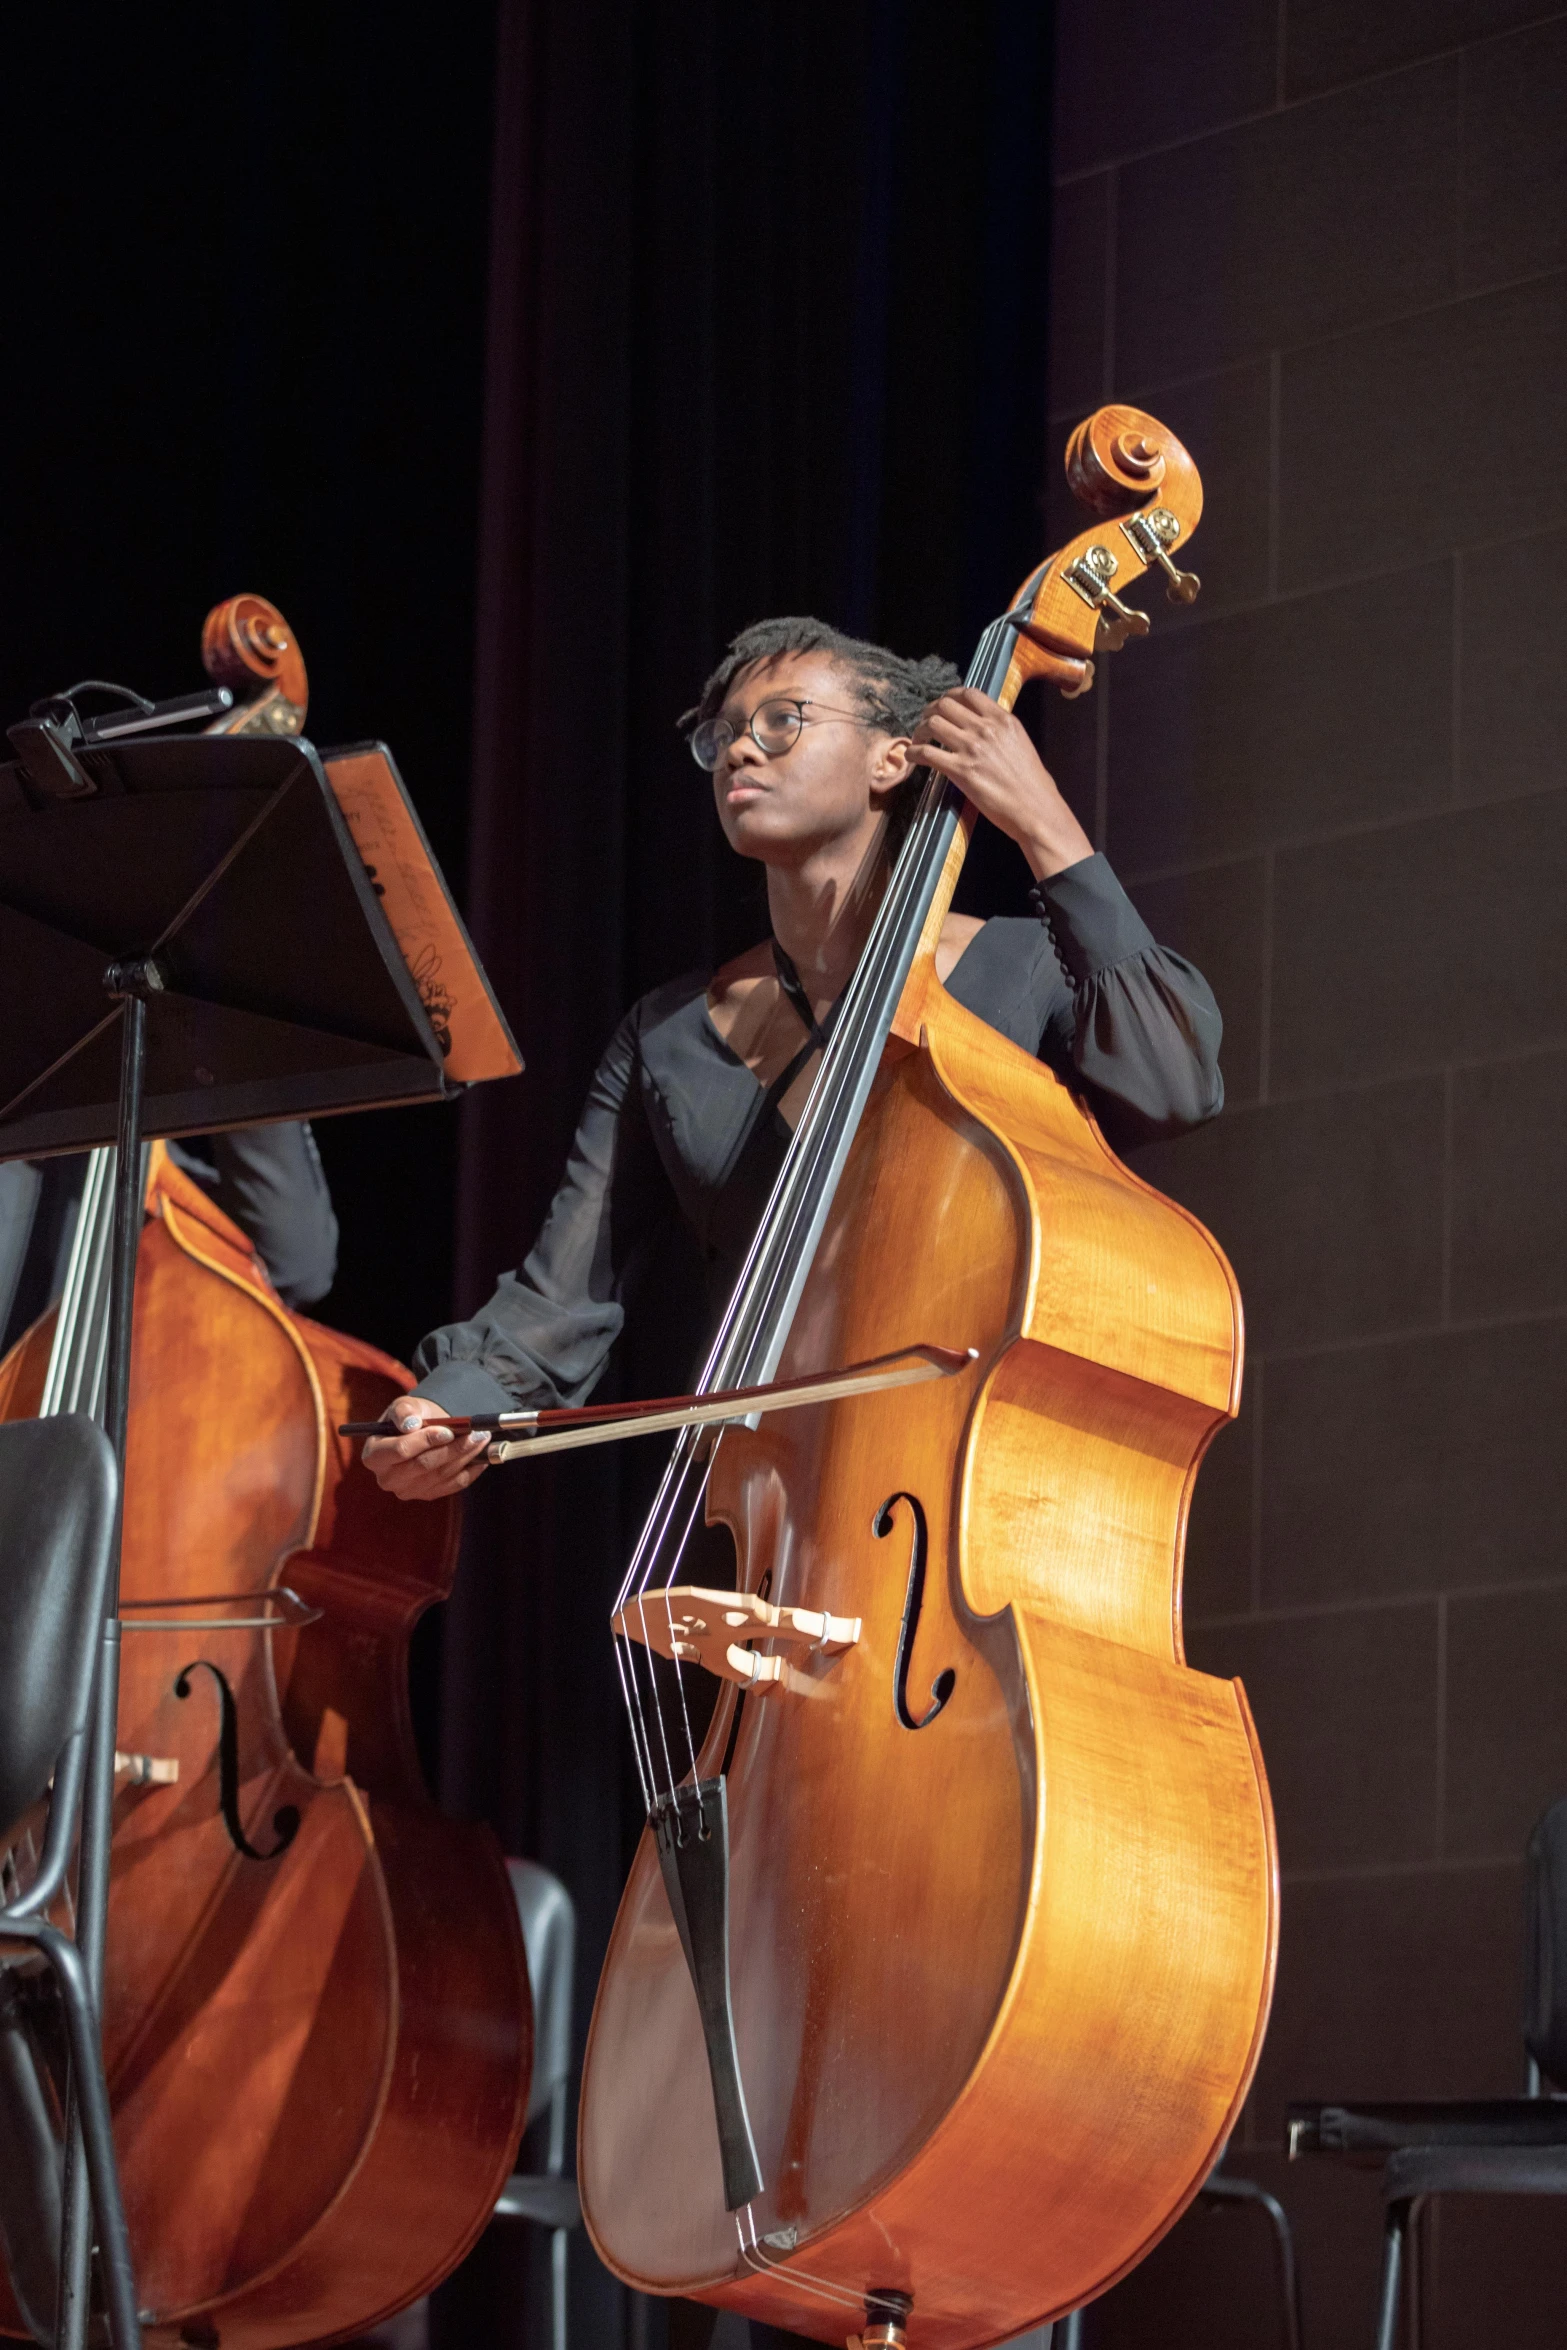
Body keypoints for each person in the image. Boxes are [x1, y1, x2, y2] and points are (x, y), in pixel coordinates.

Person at [360, 615, 1223, 2350]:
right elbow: (554, 1311)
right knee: (769, 2075)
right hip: (768, 1609)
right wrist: (447, 1407)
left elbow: (1176, 1077)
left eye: (783, 720)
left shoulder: (1009, 976)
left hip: (949, 1612)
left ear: (902, 755)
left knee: (974, 2051)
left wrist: (1052, 836)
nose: (740, 752)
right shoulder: (680, 1035)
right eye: (721, 733)